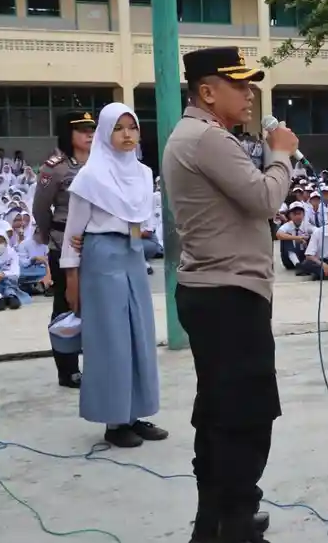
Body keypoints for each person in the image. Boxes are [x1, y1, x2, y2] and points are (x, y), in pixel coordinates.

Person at [162, 46, 289, 542]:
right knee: (246, 415)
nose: (249, 93)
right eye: (239, 85)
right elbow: (263, 199)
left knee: (219, 411)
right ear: (208, 92)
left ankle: (215, 517)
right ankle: (233, 520)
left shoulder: (196, 136)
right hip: (229, 295)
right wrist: (280, 153)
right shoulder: (207, 139)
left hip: (215, 292)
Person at [60, 103, 165, 447]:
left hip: (132, 253)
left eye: (132, 128)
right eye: (118, 129)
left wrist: (138, 242)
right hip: (101, 255)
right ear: (106, 133)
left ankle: (137, 413)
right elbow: (73, 230)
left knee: (139, 334)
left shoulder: (143, 173)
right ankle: (114, 420)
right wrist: (72, 279)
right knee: (110, 340)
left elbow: (138, 221)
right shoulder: (90, 177)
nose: (127, 135)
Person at [33, 110, 97, 389]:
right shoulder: (55, 166)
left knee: (95, 305)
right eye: (82, 130)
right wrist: (51, 236)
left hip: (95, 242)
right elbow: (39, 208)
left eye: (91, 129)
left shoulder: (101, 161)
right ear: (67, 134)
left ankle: (96, 363)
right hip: (63, 243)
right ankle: (68, 369)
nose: (89, 134)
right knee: (65, 305)